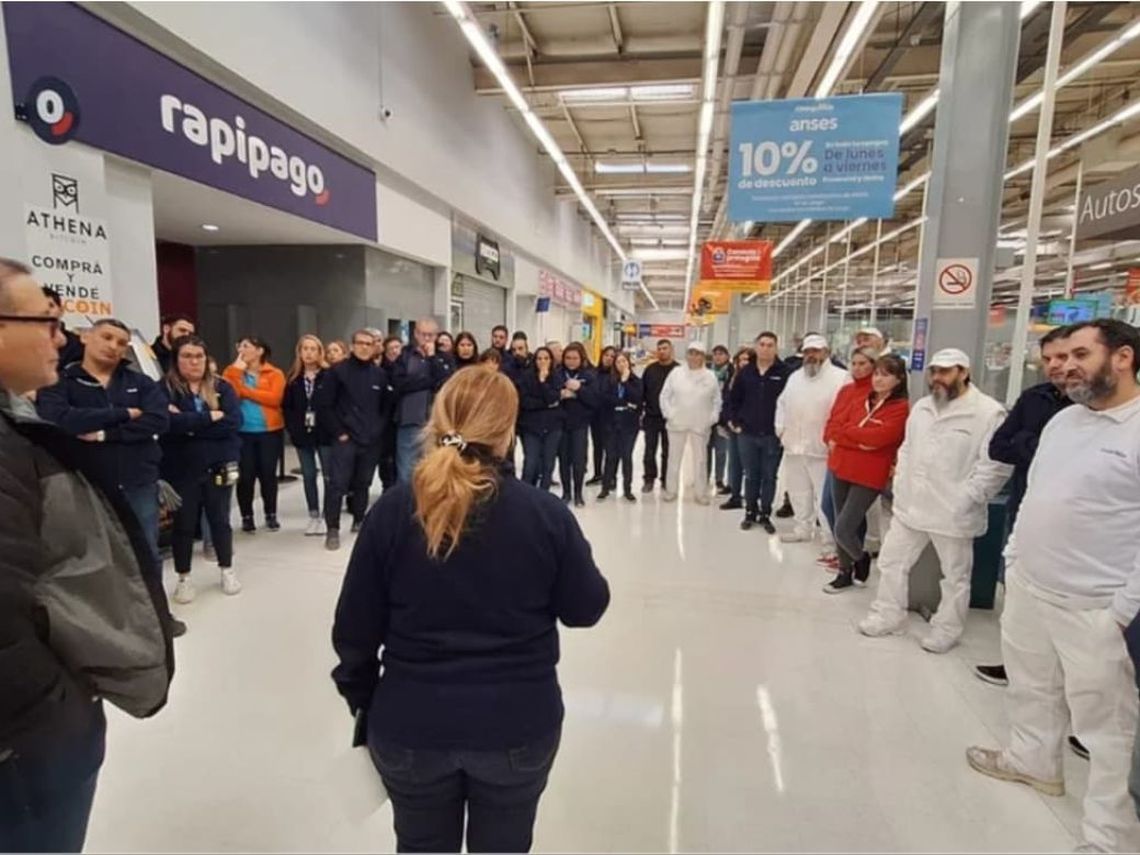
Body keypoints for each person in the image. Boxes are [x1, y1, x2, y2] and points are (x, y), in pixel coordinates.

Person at [331, 368, 610, 854]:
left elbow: (353, 629)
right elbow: (586, 608)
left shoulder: (395, 511)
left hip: (411, 725)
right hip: (516, 727)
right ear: (507, 430)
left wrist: (364, 698)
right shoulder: (544, 515)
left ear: (437, 420)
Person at [1, 259, 172, 853]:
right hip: (25, 746)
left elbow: (156, 419)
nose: (62, 336)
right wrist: (60, 709)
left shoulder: (18, 424)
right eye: (46, 321)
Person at [966, 320, 1140, 854]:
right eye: (1057, 359)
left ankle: (1109, 838)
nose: (1064, 367)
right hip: (1031, 586)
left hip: (1097, 604)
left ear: (1123, 357)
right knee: (1030, 685)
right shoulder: (1065, 421)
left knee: (1107, 729)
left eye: (1080, 354)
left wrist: (1122, 607)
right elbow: (1037, 493)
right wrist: (1015, 560)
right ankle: (1032, 760)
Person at [858, 348, 1011, 653]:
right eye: (934, 371)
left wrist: (969, 498)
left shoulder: (987, 413)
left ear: (964, 373)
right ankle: (889, 615)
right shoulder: (924, 408)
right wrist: (901, 484)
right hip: (911, 506)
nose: (938, 378)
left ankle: (947, 629)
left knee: (955, 575)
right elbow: (906, 448)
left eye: (946, 371)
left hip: (953, 511)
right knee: (891, 561)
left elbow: (995, 465)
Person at [35, 318, 179, 634]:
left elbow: (158, 421)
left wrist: (102, 434)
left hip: (138, 479)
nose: (113, 346)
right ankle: (108, 624)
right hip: (84, 483)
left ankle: (157, 617)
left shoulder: (140, 383)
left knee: (146, 551)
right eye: (106, 337)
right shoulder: (62, 381)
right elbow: (59, 419)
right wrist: (124, 414)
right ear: (86, 337)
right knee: (92, 556)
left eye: (120, 342)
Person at [973, 327, 1073, 687]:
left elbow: (1070, 463)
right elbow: (999, 447)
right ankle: (1018, 666)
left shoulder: (1094, 409)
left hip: (1077, 528)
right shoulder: (1034, 399)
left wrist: (1028, 442)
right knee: (1019, 597)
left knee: (1074, 618)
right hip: (1026, 508)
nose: (1057, 366)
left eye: (1068, 357)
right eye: (1048, 359)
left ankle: (1074, 696)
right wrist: (1037, 443)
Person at [162, 335, 243, 603]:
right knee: (184, 525)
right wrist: (209, 417)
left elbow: (232, 424)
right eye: (187, 356)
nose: (194, 362)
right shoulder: (163, 389)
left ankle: (226, 569)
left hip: (218, 465)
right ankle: (184, 578)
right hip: (181, 468)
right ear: (176, 359)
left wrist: (187, 424)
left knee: (220, 521)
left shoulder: (223, 387)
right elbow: (167, 426)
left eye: (199, 356)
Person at [822, 354, 909, 593]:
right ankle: (845, 571)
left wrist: (848, 436)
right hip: (841, 465)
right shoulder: (860, 399)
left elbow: (881, 438)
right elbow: (837, 428)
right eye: (878, 374)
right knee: (839, 518)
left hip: (869, 473)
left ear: (899, 379)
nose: (879, 380)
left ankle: (860, 558)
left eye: (886, 375)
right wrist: (855, 439)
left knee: (844, 528)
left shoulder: (900, 408)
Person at [775, 334, 850, 546]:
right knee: (798, 492)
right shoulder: (795, 377)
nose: (811, 356)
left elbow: (845, 411)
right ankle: (802, 529)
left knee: (824, 497)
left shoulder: (841, 377)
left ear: (826, 353)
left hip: (823, 449)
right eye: (807, 352)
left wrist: (836, 439)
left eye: (816, 351)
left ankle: (829, 536)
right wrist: (780, 429)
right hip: (794, 446)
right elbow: (781, 403)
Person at [319, 330, 389, 551]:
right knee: (337, 484)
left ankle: (359, 520)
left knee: (363, 483)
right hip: (345, 439)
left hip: (370, 440)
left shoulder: (379, 375)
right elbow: (325, 406)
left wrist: (377, 430)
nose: (365, 347)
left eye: (369, 344)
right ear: (352, 346)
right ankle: (332, 529)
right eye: (360, 343)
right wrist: (339, 432)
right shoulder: (337, 372)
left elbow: (385, 408)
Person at [818, 347, 880, 570]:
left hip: (861, 464)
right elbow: (834, 420)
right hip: (838, 460)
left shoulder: (876, 394)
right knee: (830, 508)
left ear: (874, 365)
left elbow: (863, 431)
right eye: (854, 363)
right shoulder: (846, 391)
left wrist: (842, 438)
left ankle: (854, 556)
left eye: (863, 363)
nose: (857, 368)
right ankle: (846, 556)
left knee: (851, 517)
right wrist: (830, 438)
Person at [726, 332, 790, 533]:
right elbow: (733, 400)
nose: (765, 348)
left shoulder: (785, 373)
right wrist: (733, 422)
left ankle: (765, 513)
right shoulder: (746, 373)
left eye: (770, 345)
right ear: (756, 347)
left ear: (776, 347)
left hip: (773, 435)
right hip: (747, 433)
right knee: (751, 475)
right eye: (762, 344)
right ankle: (750, 512)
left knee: (769, 476)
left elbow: (790, 403)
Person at [223, 337, 286, 534]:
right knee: (246, 476)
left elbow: (274, 399)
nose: (241, 350)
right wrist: (235, 372)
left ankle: (271, 514)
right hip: (243, 432)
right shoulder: (231, 372)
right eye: (239, 346)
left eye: (246, 346)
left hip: (269, 431)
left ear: (259, 351)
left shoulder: (274, 373)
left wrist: (246, 391)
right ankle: (246, 516)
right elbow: (230, 395)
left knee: (268, 475)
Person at [659, 341, 721, 504]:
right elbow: (664, 395)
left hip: (700, 425)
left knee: (700, 460)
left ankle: (701, 493)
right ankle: (671, 490)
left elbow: (717, 401)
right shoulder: (676, 373)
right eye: (691, 353)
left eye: (698, 353)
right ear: (687, 355)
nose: (694, 357)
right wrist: (669, 414)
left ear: (703, 356)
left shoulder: (710, 376)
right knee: (673, 458)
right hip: (677, 423)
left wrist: (711, 419)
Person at [284, 334, 333, 536]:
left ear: (320, 352)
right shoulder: (294, 379)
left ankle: (327, 515)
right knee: (309, 475)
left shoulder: (329, 375)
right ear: (299, 352)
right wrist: (293, 430)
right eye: (305, 348)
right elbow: (287, 408)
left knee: (330, 476)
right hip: (303, 434)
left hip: (325, 432)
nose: (309, 353)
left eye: (313, 349)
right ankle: (313, 514)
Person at [392, 317, 452, 483]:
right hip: (409, 419)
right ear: (416, 334)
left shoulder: (444, 358)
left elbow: (444, 383)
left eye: (431, 335)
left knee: (434, 470)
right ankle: (406, 505)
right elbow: (399, 384)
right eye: (423, 334)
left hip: (436, 422)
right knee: (406, 470)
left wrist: (432, 358)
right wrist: (427, 382)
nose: (427, 339)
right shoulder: (404, 356)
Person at [598, 351, 643, 502]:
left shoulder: (635, 381)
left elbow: (637, 400)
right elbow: (605, 399)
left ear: (629, 363)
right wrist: (624, 402)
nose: (621, 364)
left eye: (624, 361)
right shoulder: (608, 381)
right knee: (611, 456)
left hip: (629, 425)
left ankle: (628, 489)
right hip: (611, 423)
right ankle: (605, 487)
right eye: (618, 362)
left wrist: (624, 383)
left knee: (626, 456)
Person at [557, 342, 598, 508]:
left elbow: (594, 400)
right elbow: (551, 393)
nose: (571, 361)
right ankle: (566, 492)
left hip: (580, 423)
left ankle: (578, 493)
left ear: (581, 359)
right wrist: (560, 394)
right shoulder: (558, 373)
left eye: (575, 358)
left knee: (579, 460)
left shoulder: (589, 375)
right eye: (568, 358)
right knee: (564, 460)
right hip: (561, 423)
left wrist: (579, 389)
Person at [518, 346, 564, 491]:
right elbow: (525, 402)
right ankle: (525, 494)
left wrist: (543, 382)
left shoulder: (556, 377)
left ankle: (543, 495)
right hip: (531, 427)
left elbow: (554, 397)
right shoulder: (525, 377)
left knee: (548, 464)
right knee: (531, 463)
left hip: (552, 426)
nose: (543, 362)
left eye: (546, 358)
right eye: (539, 358)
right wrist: (546, 403)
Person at [641, 339, 679, 494]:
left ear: (671, 350)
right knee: (649, 450)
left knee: (668, 451)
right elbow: (642, 392)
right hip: (651, 416)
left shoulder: (678, 371)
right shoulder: (650, 370)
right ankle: (649, 479)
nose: (662, 351)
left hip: (670, 418)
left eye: (665, 348)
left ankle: (666, 479)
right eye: (660, 348)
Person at [718, 347, 754, 510]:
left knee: (750, 465)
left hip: (749, 429)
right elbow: (727, 401)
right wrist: (728, 421)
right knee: (734, 463)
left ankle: (752, 496)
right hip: (733, 426)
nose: (744, 362)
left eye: (747, 359)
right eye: (741, 360)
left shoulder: (756, 378)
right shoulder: (732, 378)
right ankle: (735, 494)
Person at [587, 345, 617, 487]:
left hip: (611, 417)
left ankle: (611, 477)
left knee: (611, 448)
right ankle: (598, 474)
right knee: (597, 446)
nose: (609, 358)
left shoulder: (616, 376)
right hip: (595, 416)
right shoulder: (593, 373)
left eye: (612, 356)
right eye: (607, 355)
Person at [378, 337, 403, 491]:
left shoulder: (406, 368)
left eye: (397, 347)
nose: (395, 351)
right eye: (391, 348)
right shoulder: (381, 371)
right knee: (386, 458)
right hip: (386, 421)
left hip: (403, 418)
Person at [707, 345, 733, 493]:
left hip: (722, 419)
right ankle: (704, 477)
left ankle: (719, 479)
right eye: (715, 354)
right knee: (706, 449)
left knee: (721, 451)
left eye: (721, 354)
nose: (718, 357)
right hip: (706, 417)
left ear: (727, 356)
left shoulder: (731, 373)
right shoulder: (706, 372)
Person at [42, 287, 84, 368]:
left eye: (50, 305)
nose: (45, 311)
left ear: (61, 311)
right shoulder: (19, 344)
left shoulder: (78, 345)